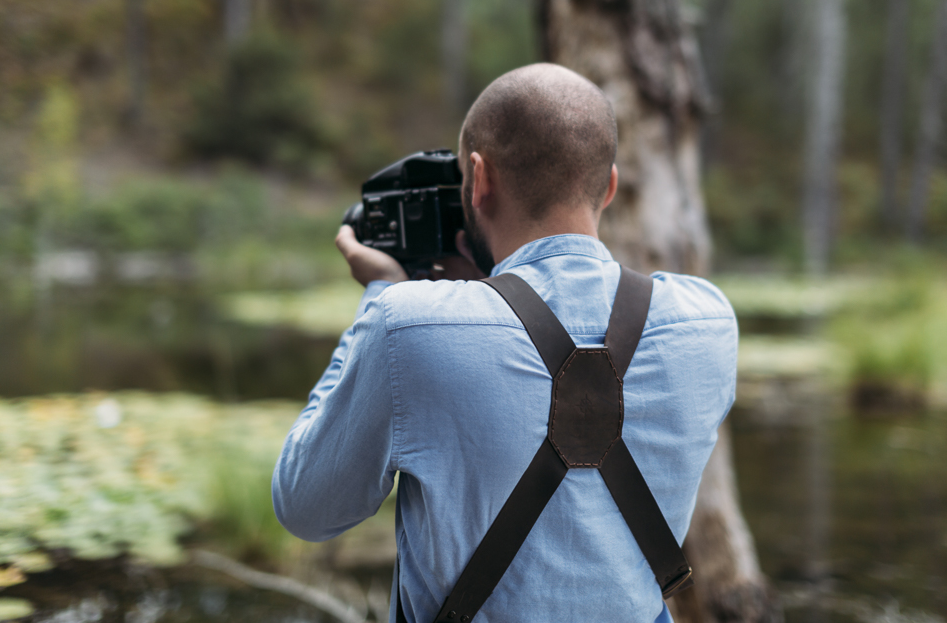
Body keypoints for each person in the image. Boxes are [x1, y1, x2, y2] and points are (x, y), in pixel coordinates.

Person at [273, 63, 737, 623]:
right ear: (609, 185)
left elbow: (306, 507)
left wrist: (381, 294)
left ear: (479, 178)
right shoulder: (707, 321)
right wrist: (493, 296)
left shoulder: (406, 326)